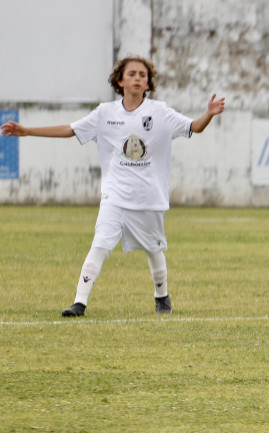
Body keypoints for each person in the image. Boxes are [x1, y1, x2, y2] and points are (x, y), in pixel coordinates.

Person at [0, 55, 225, 317]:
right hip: (115, 196)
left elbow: (194, 127)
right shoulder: (105, 113)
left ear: (148, 82)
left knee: (153, 249)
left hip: (149, 198)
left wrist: (208, 113)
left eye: (143, 75)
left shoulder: (160, 112)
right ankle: (79, 302)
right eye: (132, 74)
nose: (138, 78)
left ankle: (162, 295)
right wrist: (27, 131)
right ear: (120, 80)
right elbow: (70, 129)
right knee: (100, 244)